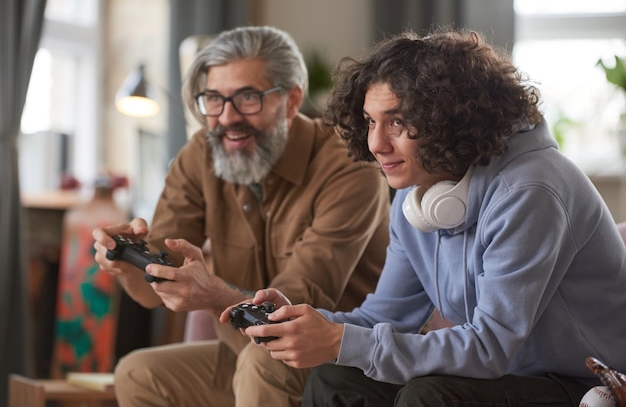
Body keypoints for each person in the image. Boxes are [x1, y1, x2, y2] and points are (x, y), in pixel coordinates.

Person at [220, 28, 626, 406]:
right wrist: (304, 323)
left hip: (585, 381)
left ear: (448, 118)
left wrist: (341, 341)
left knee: (429, 396)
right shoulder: (417, 197)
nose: (376, 144)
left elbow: (490, 348)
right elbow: (385, 318)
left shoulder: (530, 190)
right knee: (333, 379)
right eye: (370, 122)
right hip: (506, 374)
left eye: (397, 121)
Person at [92, 25, 391, 407]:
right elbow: (156, 288)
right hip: (245, 349)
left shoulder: (349, 165)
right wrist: (126, 260)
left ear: (291, 100)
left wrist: (214, 295)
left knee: (260, 365)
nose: (227, 118)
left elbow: (289, 312)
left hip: (332, 357)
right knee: (140, 373)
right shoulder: (201, 153)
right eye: (213, 99)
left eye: (248, 98)